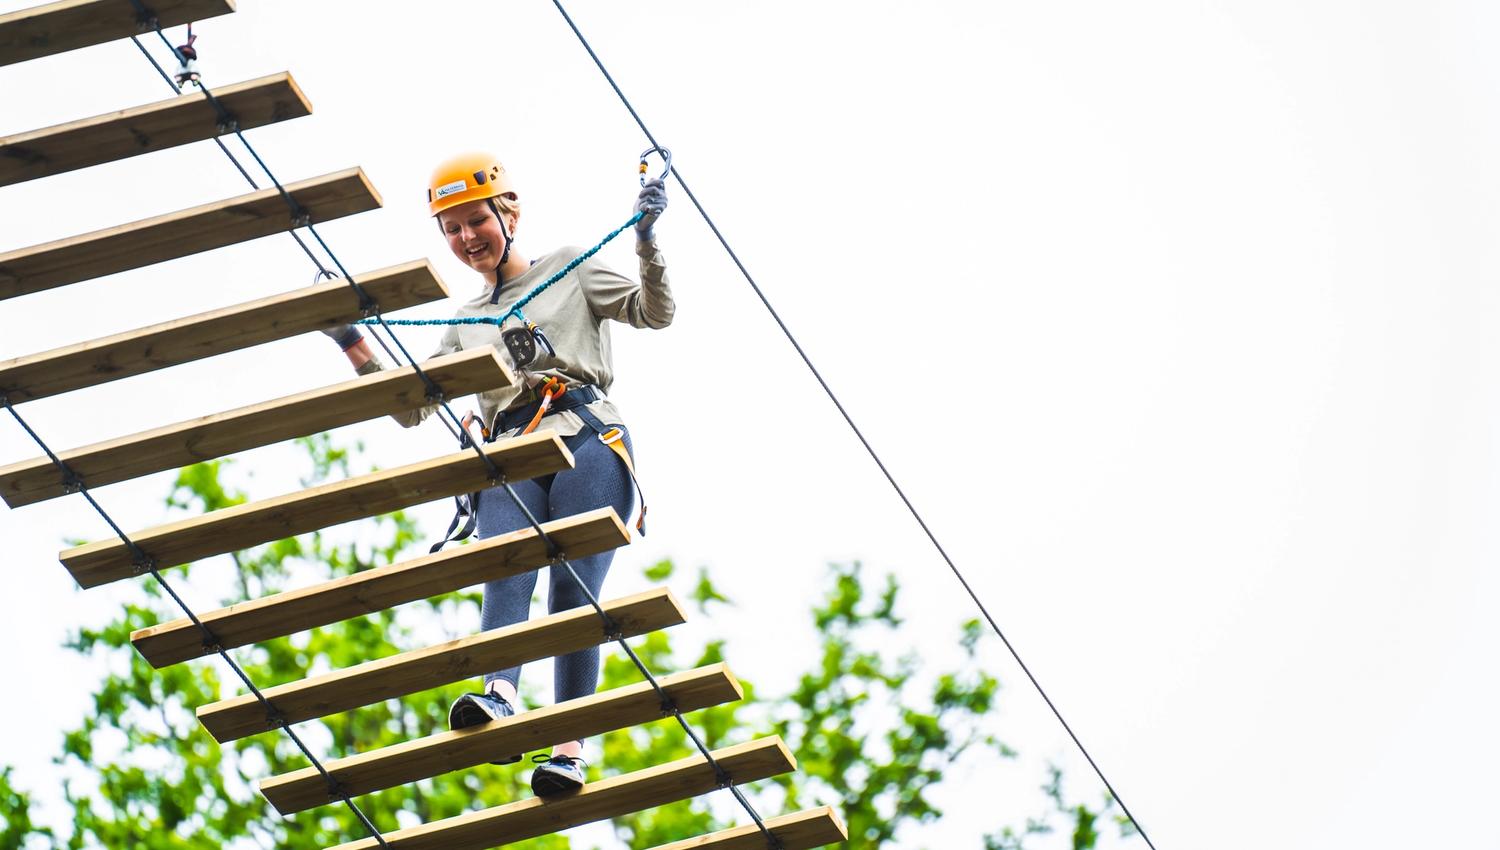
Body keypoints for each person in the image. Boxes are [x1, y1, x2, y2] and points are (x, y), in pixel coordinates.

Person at [319, 152, 672, 796]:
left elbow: (654, 312)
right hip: (510, 452)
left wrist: (647, 240)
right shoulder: (463, 322)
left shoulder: (570, 268)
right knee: (505, 560)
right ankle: (499, 693)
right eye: (450, 230)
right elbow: (410, 410)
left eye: (475, 221)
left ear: (506, 213)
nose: (465, 239)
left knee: (573, 591)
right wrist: (351, 341)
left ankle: (568, 748)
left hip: (587, 436)